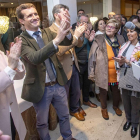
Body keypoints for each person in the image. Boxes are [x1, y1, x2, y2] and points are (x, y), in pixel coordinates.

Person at [16, 3, 77, 140]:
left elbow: (67, 42)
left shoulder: (46, 32)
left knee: (64, 116)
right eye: (29, 15)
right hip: (40, 88)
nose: (34, 17)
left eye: (35, 14)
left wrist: (66, 30)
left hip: (58, 83)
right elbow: (34, 58)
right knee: (42, 123)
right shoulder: (21, 40)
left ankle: (68, 137)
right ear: (21, 20)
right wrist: (56, 40)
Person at [49, 4, 87, 121]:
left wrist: (80, 35)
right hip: (62, 67)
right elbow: (58, 51)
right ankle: (64, 115)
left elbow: (78, 44)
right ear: (56, 15)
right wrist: (74, 38)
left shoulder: (70, 28)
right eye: (64, 12)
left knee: (76, 90)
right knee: (64, 94)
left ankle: (74, 109)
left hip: (73, 63)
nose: (68, 14)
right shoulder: (50, 31)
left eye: (68, 12)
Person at [88, 19, 125, 120]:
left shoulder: (120, 39)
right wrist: (91, 73)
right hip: (102, 71)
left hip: (117, 72)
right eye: (108, 26)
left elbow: (125, 53)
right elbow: (91, 57)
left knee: (116, 91)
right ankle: (104, 109)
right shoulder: (99, 39)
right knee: (103, 92)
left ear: (116, 29)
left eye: (112, 27)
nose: (109, 28)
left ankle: (115, 106)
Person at [113, 21, 140, 138]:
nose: (129, 34)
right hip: (124, 77)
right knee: (126, 101)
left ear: (138, 33)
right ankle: (128, 120)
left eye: (132, 31)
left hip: (135, 79)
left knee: (135, 103)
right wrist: (118, 62)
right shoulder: (124, 45)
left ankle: (134, 124)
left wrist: (129, 63)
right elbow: (119, 60)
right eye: (127, 32)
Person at [0, 37, 26, 140]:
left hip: (11, 109)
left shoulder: (1, 54)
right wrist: (10, 67)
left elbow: (19, 75)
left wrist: (15, 59)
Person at [75, 14, 97, 108]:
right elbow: (76, 50)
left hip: (88, 62)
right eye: (83, 22)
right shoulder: (75, 34)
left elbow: (92, 48)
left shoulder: (89, 32)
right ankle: (77, 105)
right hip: (79, 63)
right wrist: (85, 40)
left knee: (87, 84)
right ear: (78, 23)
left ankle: (86, 100)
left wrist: (91, 40)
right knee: (78, 86)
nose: (85, 24)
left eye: (87, 22)